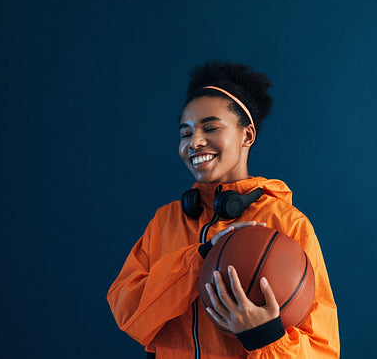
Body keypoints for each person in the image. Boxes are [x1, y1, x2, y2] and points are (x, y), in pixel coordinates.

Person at [107, 60, 340, 358]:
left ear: (247, 135)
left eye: (211, 127)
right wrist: (199, 259)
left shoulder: (287, 224)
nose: (195, 142)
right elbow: (128, 314)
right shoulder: (166, 220)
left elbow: (322, 349)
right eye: (185, 133)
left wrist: (265, 336)